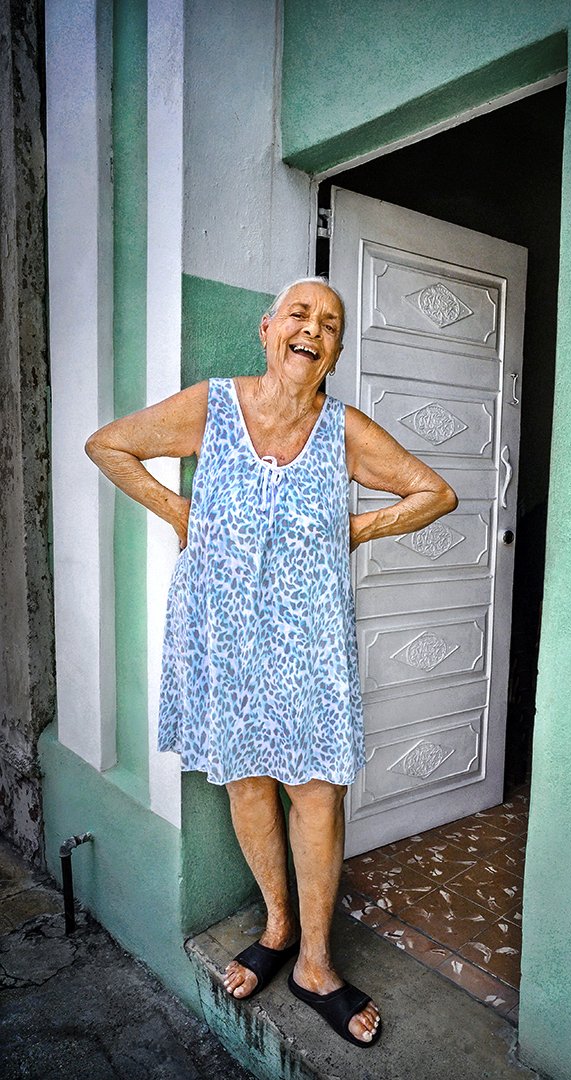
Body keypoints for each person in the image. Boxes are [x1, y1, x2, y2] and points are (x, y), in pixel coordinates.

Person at [85, 277, 458, 1047]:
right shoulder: (213, 407)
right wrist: (180, 511)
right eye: (299, 315)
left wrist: (359, 529)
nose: (311, 331)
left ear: (335, 351)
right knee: (247, 780)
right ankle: (279, 926)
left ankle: (316, 964)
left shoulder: (343, 431)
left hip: (309, 644)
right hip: (221, 633)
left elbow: (434, 492)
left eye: (329, 325)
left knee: (314, 793)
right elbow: (108, 444)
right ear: (266, 331)